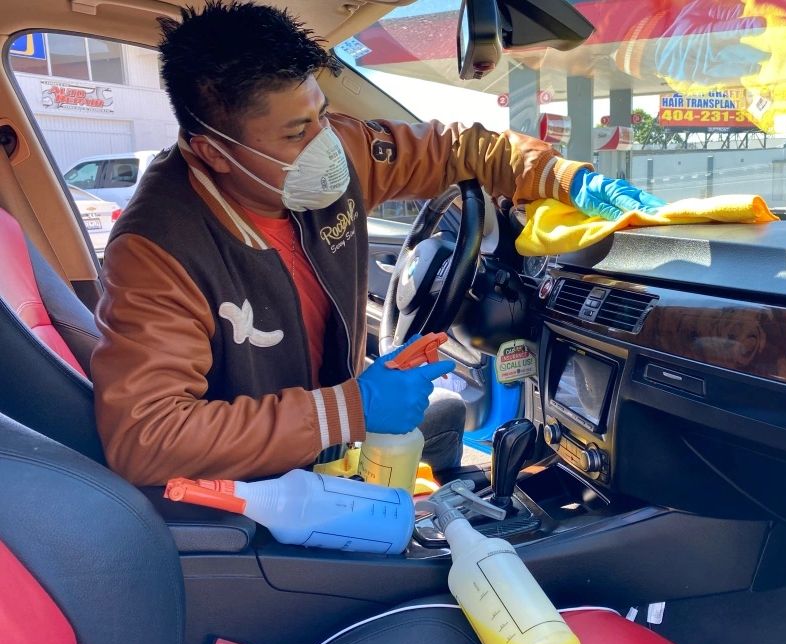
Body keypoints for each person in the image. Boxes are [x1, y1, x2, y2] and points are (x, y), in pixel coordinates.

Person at [92, 0, 657, 486]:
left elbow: (459, 150)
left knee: (446, 435)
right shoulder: (157, 252)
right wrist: (347, 411)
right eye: (297, 132)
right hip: (261, 496)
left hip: (331, 453)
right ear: (214, 152)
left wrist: (566, 179)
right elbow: (148, 438)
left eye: (322, 114)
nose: (326, 141)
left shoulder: (330, 148)